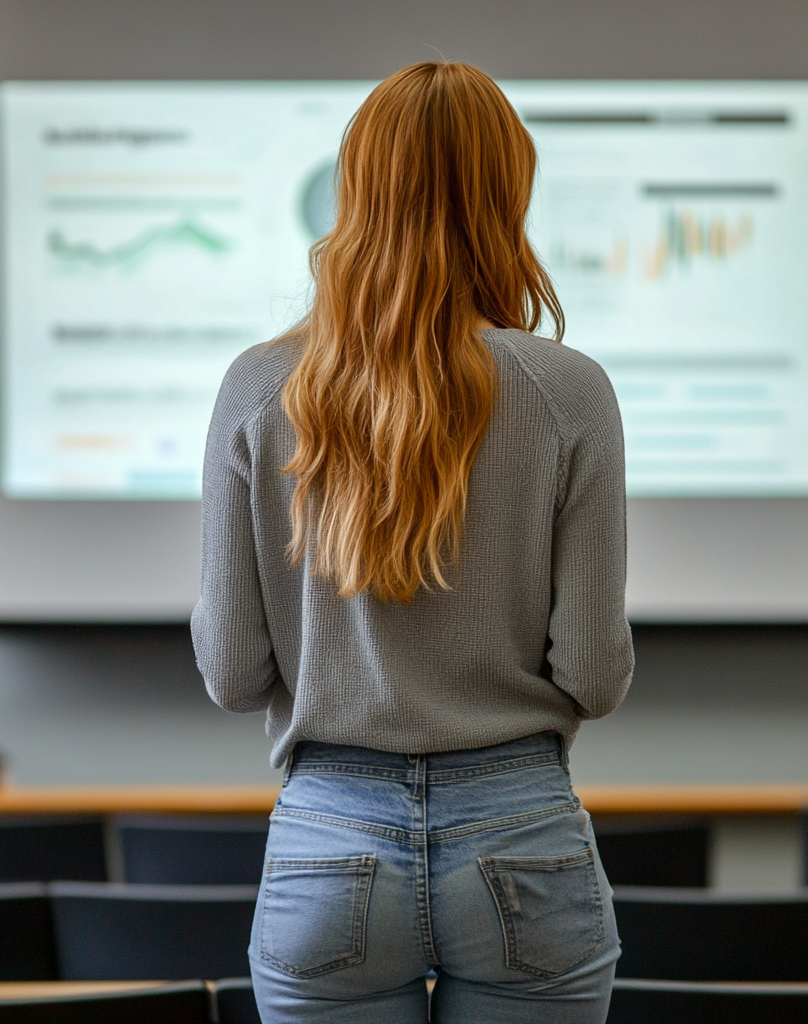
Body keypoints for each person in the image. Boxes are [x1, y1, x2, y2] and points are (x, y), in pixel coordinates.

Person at [192, 60, 633, 1023]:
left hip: (326, 842)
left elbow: (230, 674)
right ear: (505, 194)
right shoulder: (571, 391)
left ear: (356, 194)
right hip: (523, 836)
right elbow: (595, 674)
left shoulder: (259, 388)